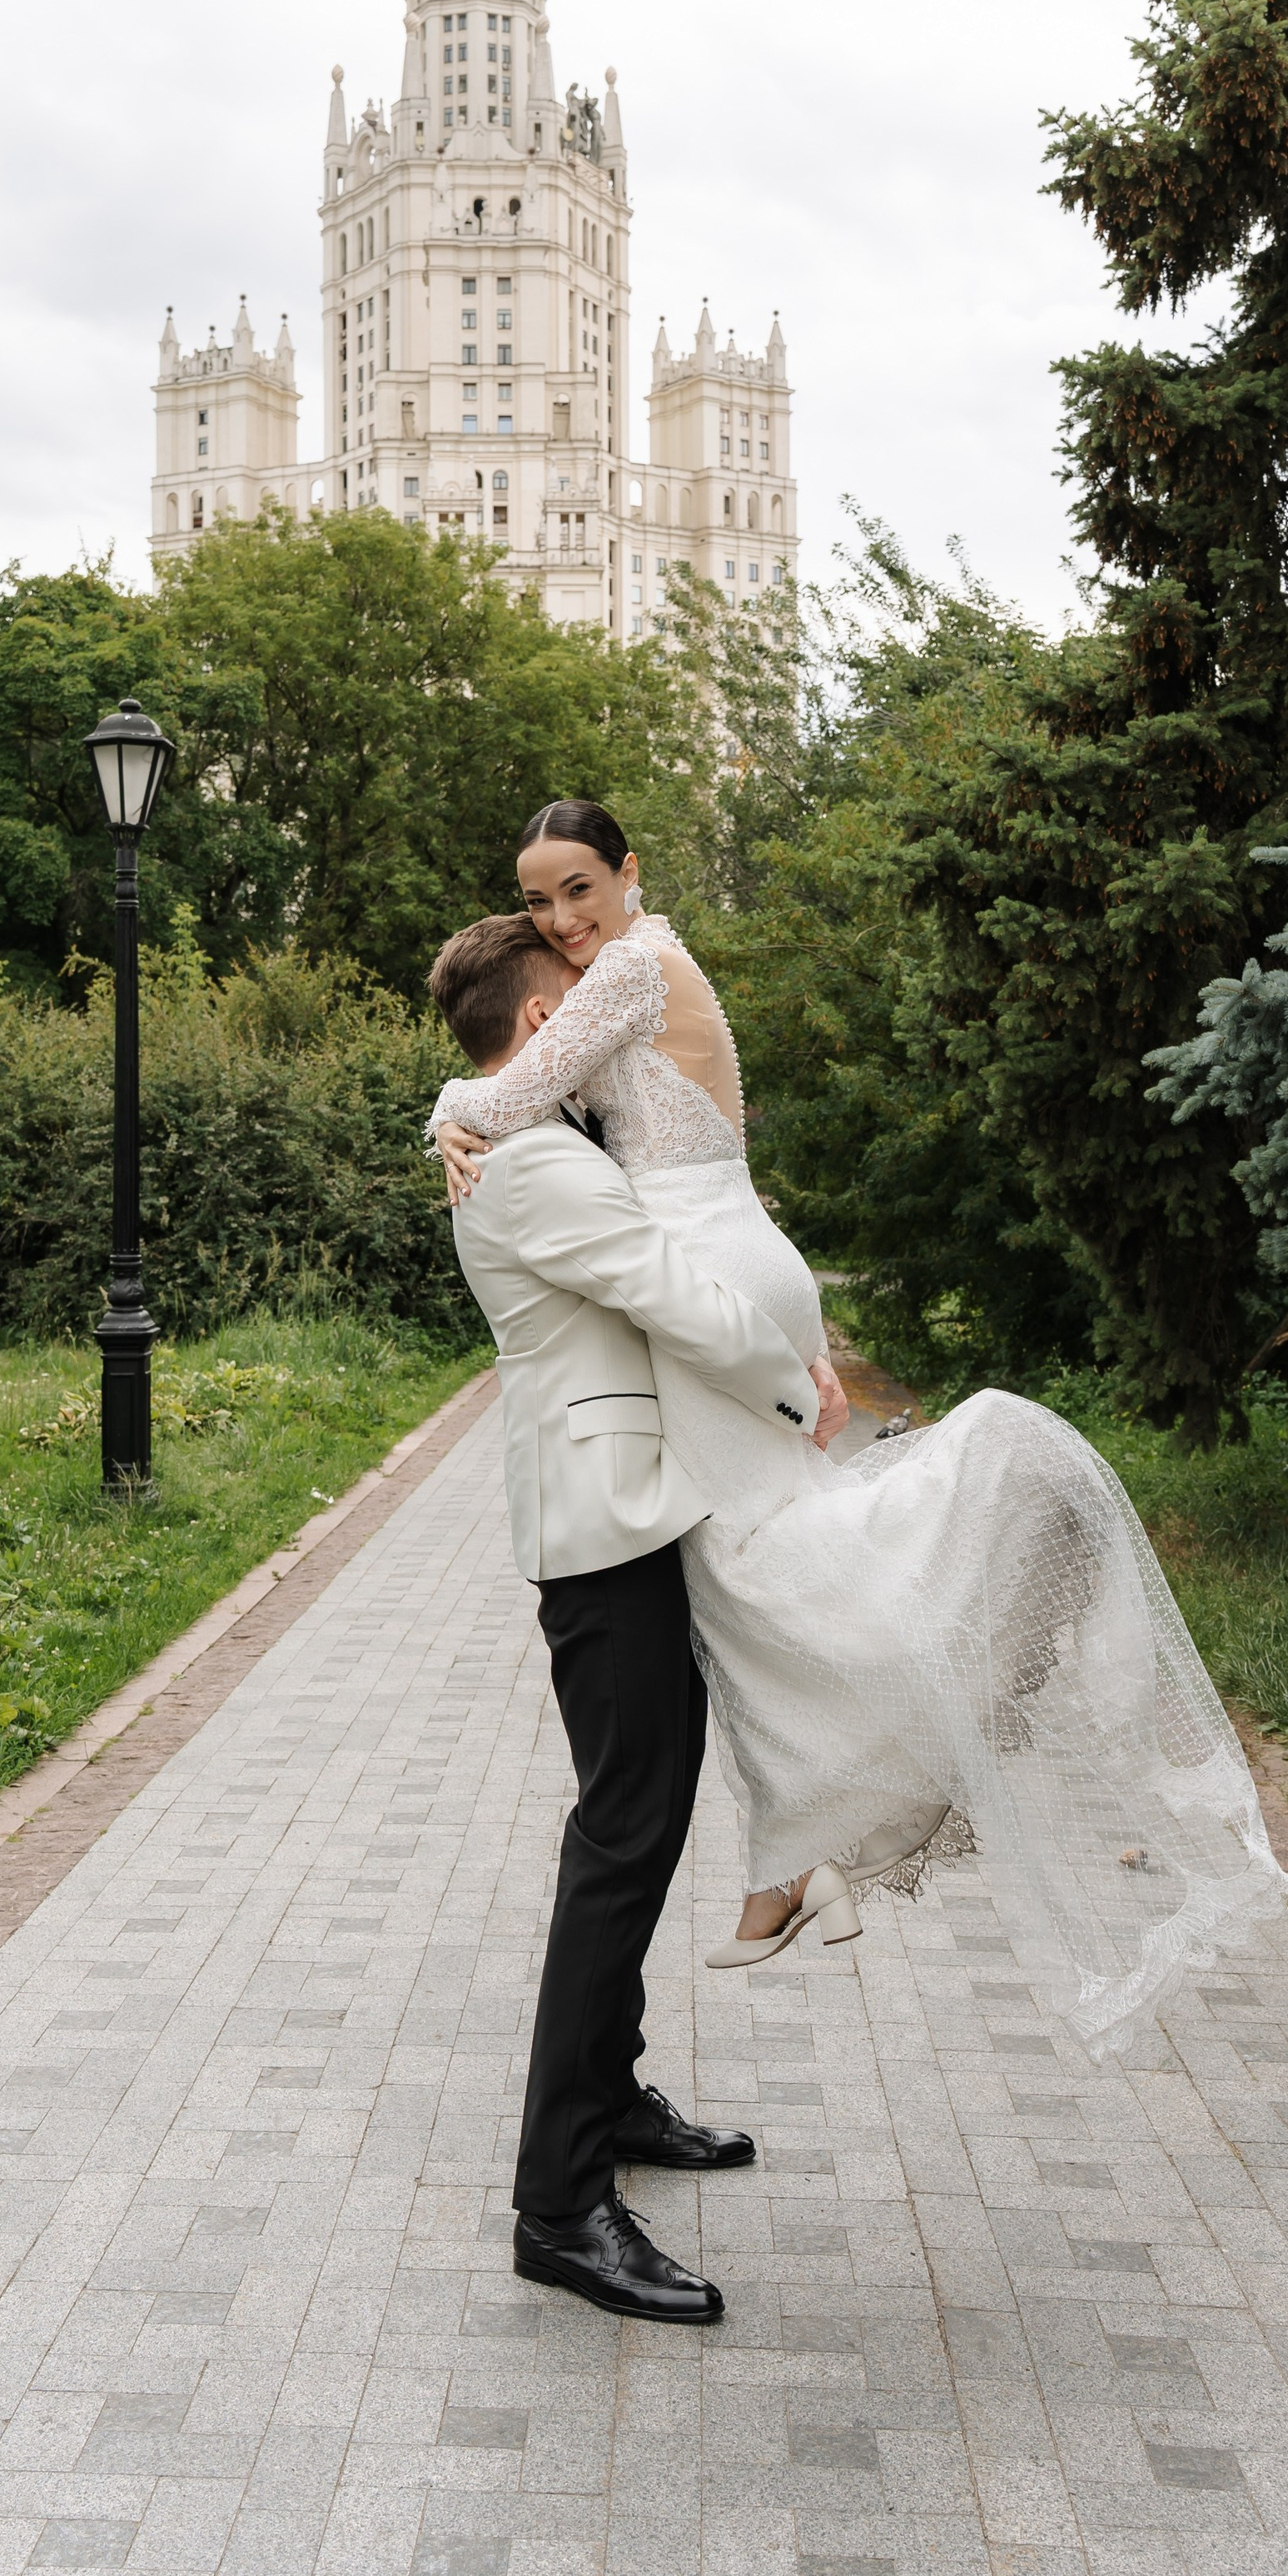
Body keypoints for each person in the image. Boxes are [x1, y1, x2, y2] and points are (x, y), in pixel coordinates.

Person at [430, 804, 1288, 2055]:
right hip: (733, 1240)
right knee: (742, 1576)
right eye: (543, 902)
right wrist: (807, 1335)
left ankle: (824, 1824)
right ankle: (798, 1854)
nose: (566, 920)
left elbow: (507, 1091)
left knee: (758, 1563)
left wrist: (442, 1113)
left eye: (578, 888)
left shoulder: (621, 968)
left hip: (702, 1264)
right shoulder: (653, 962)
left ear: (629, 871)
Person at [429, 910, 837, 2326]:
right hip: (601, 1540)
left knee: (640, 1819)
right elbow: (670, 1294)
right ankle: (559, 2203)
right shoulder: (535, 1160)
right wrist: (802, 1387)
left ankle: (611, 2102)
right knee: (623, 1833)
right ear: (549, 1029)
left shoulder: (514, 1139)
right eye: (590, 1010)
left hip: (625, 1518)